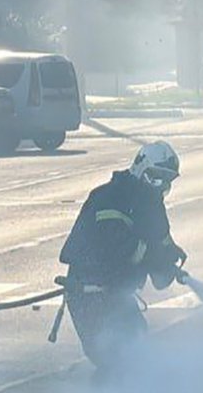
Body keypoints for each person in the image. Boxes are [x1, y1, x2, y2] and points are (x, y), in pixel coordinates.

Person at [58, 141, 188, 377]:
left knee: (137, 351)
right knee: (115, 360)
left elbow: (161, 243)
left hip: (117, 294)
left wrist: (171, 257)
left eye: (167, 181)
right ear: (140, 167)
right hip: (90, 294)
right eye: (155, 178)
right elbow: (120, 249)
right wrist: (154, 256)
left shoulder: (151, 205)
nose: (160, 186)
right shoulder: (109, 198)